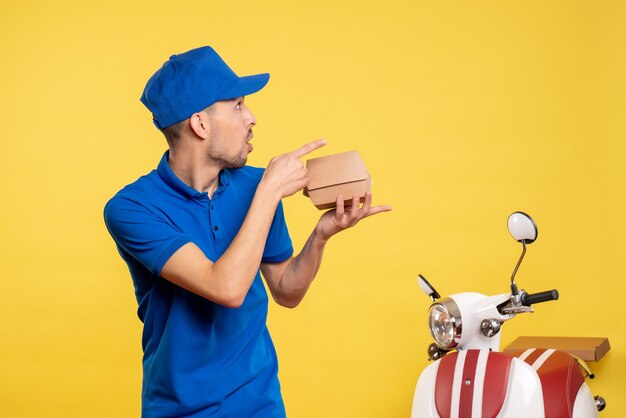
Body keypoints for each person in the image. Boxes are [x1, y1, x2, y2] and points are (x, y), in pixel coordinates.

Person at [103, 46, 391, 418]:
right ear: (200, 124)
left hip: (261, 406)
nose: (252, 117)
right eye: (237, 105)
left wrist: (321, 235)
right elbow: (225, 288)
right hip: (179, 410)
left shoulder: (256, 187)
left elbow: (287, 291)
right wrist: (269, 192)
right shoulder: (132, 208)